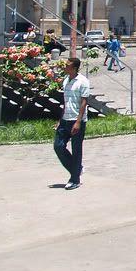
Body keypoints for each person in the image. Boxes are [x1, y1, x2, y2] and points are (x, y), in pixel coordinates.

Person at [54, 58, 89, 190]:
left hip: (77, 121)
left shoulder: (83, 82)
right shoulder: (66, 80)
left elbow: (84, 102)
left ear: (74, 68)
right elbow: (66, 101)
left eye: (67, 66)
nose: (65, 67)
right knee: (58, 146)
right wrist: (60, 119)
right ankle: (77, 169)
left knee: (76, 150)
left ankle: (75, 179)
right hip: (65, 119)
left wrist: (78, 121)